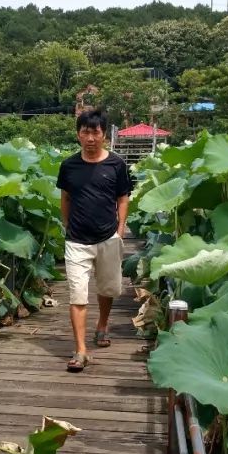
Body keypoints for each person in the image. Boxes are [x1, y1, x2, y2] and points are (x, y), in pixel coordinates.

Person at [57, 109, 134, 372]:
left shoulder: (116, 164)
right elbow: (65, 198)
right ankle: (81, 350)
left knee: (106, 288)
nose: (90, 137)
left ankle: (102, 324)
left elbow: (123, 198)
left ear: (104, 135)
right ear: (78, 134)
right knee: (78, 295)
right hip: (77, 240)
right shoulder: (68, 165)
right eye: (85, 132)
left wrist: (120, 229)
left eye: (96, 132)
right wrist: (68, 226)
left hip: (108, 236)